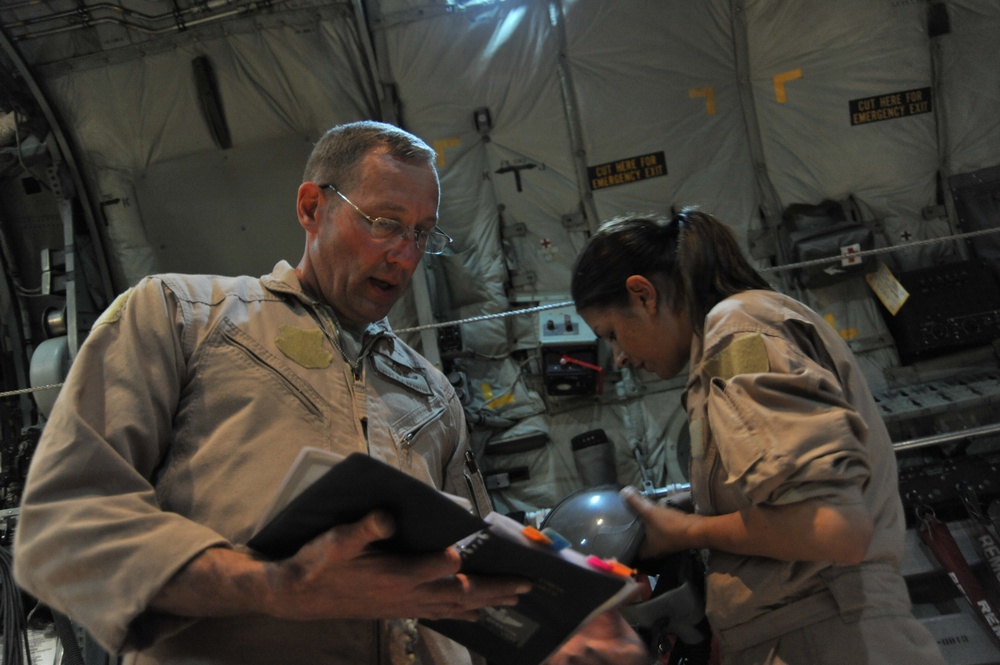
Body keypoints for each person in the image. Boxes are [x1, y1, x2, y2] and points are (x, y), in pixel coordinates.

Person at [13, 121, 644, 665]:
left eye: (423, 234)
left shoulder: (430, 392)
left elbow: (466, 571)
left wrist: (557, 623)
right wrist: (274, 587)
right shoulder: (181, 319)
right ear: (312, 208)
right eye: (384, 223)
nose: (405, 255)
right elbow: (64, 529)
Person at [570, 209, 948, 665]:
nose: (620, 357)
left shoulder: (737, 338)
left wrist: (686, 532)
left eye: (612, 333)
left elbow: (831, 527)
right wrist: (696, 505)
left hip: (824, 642)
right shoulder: (740, 335)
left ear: (643, 294)